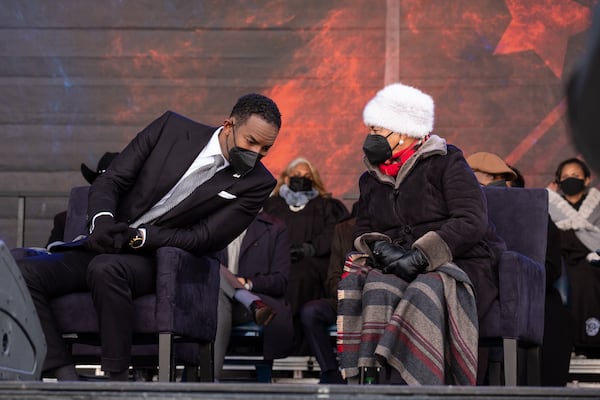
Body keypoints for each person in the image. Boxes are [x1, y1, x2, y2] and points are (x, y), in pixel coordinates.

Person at [15, 93, 282, 381]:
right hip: (107, 242)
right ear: (229, 125)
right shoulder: (171, 129)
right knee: (23, 274)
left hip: (161, 260)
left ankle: (117, 380)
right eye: (251, 142)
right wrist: (102, 220)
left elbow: (204, 238)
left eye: (266, 148)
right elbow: (112, 180)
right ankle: (63, 373)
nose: (256, 154)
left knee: (106, 269)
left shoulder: (259, 182)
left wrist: (142, 238)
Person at [337, 82, 506, 385]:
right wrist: (381, 249)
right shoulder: (370, 178)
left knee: (423, 291)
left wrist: (420, 257)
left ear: (404, 131)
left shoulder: (446, 161)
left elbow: (472, 220)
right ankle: (372, 383)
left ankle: (421, 384)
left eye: (378, 130)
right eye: (370, 130)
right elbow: (363, 227)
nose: (370, 138)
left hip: (459, 263)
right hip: (398, 265)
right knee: (376, 286)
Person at [467, 151, 574, 386]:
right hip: (475, 289)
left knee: (551, 317)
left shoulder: (535, 214)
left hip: (531, 295)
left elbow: (550, 267)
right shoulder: (463, 212)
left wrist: (515, 280)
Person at [262, 157, 349, 354]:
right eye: (297, 175)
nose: (302, 179)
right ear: (285, 179)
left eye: (307, 176)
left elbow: (333, 234)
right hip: (277, 262)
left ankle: (302, 348)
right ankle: (280, 347)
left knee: (301, 275)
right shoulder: (272, 205)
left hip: (314, 262)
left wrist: (308, 249)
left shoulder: (327, 206)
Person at [213, 210, 294, 381]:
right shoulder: (212, 224)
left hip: (250, 306)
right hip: (215, 301)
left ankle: (212, 379)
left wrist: (248, 283)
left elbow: (280, 281)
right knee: (213, 271)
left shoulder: (275, 227)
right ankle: (249, 300)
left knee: (216, 280)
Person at [547, 157, 600, 357]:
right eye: (566, 176)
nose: (570, 180)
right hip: (562, 259)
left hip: (594, 261)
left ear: (586, 180)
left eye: (575, 176)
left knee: (588, 278)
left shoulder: (598, 206)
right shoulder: (549, 205)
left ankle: (590, 339)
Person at [300, 202, 357, 384]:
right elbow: (332, 276)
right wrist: (346, 291)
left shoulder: (390, 229)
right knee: (311, 311)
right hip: (344, 297)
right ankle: (330, 371)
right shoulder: (344, 229)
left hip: (379, 298)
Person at [46, 152, 120, 246]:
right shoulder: (63, 221)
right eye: (103, 186)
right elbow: (49, 253)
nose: (107, 191)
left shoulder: (130, 222)